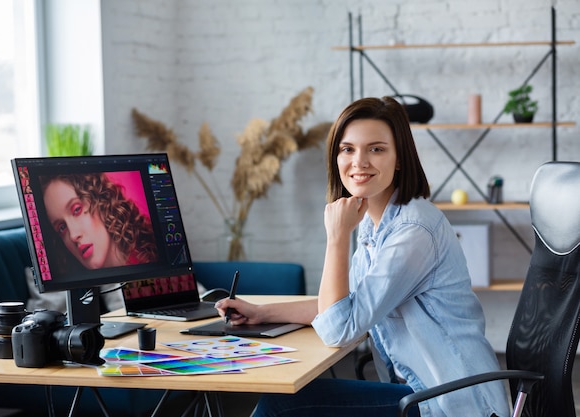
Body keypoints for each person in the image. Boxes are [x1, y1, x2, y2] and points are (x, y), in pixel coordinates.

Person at [215, 97, 509, 417]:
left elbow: (338, 328)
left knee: (282, 406)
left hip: (451, 404)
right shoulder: (374, 222)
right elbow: (345, 306)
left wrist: (337, 237)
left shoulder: (413, 231)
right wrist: (261, 313)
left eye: (376, 149)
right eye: (348, 149)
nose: (360, 162)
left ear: (399, 159)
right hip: (421, 393)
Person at [40, 172, 158, 273]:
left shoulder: (155, 265)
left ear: (100, 200)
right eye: (62, 227)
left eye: (77, 210)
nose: (73, 235)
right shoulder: (85, 294)